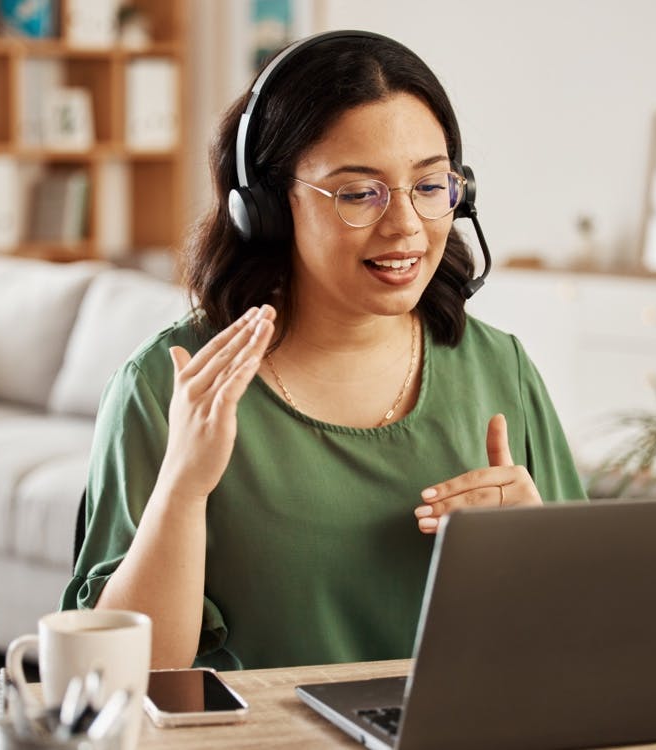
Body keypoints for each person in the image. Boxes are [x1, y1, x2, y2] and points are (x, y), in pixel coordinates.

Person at [61, 31, 585, 671]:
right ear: (266, 208)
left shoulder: (502, 369)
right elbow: (129, 680)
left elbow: (578, 646)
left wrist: (536, 548)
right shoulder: (170, 385)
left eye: (429, 186)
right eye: (359, 193)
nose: (406, 227)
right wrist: (183, 489)